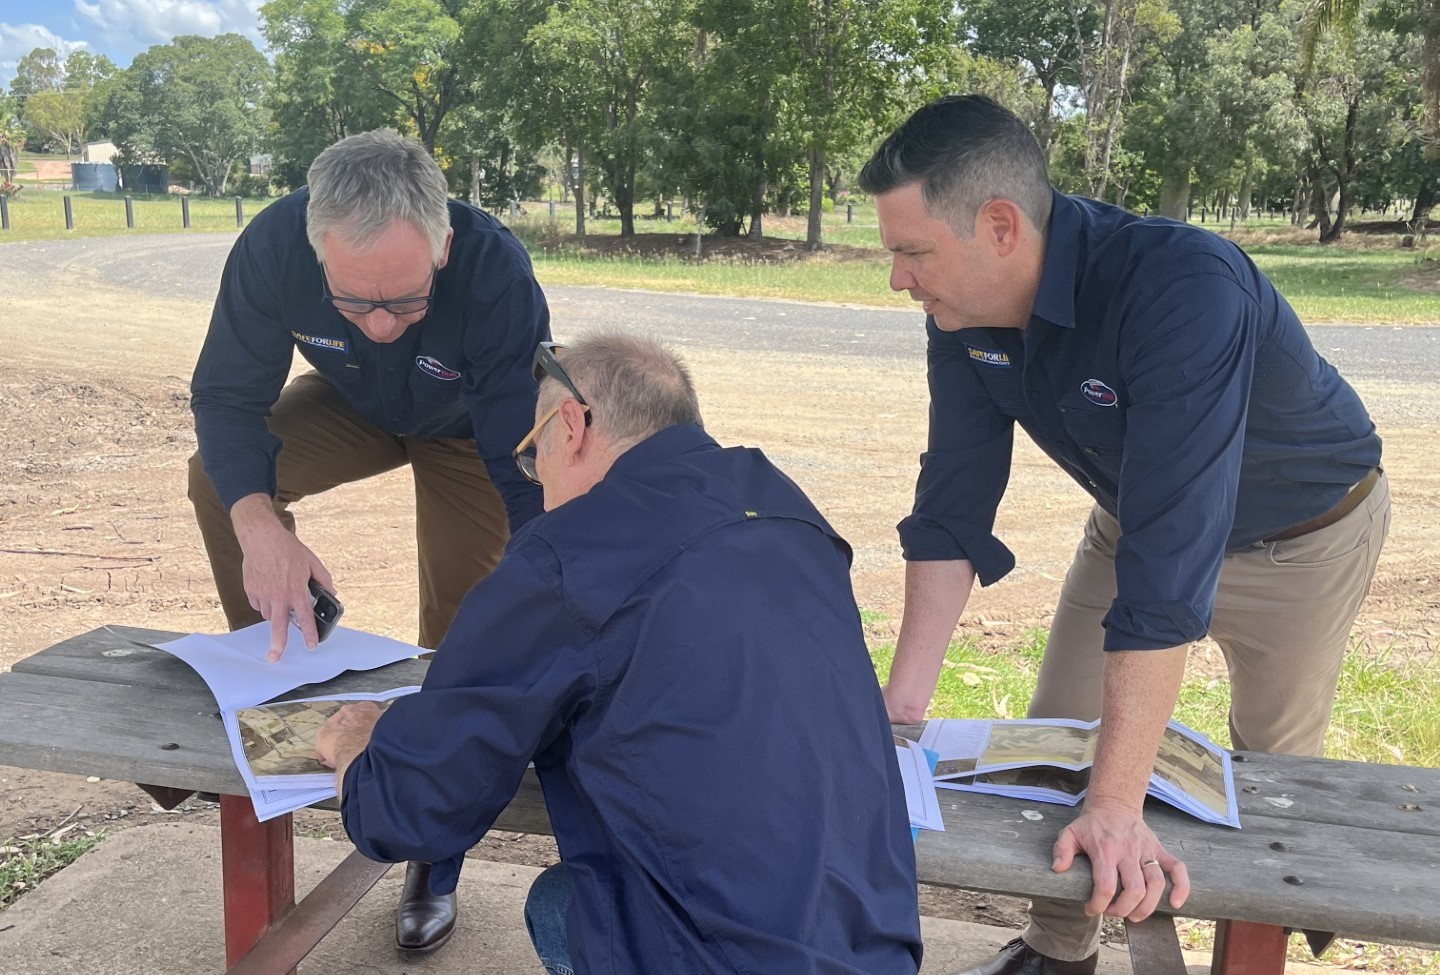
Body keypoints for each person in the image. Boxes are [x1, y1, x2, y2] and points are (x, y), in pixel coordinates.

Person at [858, 95, 1389, 975]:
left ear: (1000, 226)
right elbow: (952, 505)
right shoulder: (962, 313)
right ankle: (1057, 950)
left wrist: (1117, 800)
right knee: (1056, 739)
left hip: (1305, 537)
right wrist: (899, 712)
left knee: (1271, 777)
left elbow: (1171, 559)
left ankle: (1255, 953)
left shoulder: (1183, 286)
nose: (898, 280)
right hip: (1134, 515)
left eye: (912, 252)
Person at [313, 333, 924, 975]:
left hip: (720, 961)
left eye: (535, 455)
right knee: (578, 893)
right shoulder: (787, 511)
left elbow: (407, 815)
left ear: (570, 426)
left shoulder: (570, 553)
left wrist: (357, 744)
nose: (539, 484)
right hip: (874, 945)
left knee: (562, 907)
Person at [187, 129, 550, 955]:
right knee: (219, 482)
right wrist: (260, 527)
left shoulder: (494, 270)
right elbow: (227, 398)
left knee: (462, 614)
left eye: (408, 303)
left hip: (468, 428)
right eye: (354, 304)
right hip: (355, 405)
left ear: (443, 246)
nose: (383, 326)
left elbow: (522, 466)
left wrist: (539, 595)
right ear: (317, 250)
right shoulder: (273, 247)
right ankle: (278, 695)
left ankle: (434, 847)